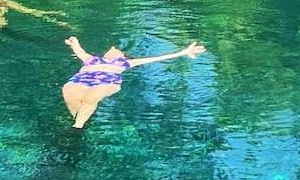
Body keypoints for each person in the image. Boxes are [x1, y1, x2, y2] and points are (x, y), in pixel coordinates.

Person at [62, 34, 205, 129]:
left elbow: (157, 58)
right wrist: (74, 42)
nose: (113, 49)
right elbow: (79, 50)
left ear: (123, 57)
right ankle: (80, 122)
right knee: (69, 94)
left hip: (107, 80)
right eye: (111, 49)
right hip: (81, 79)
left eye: (117, 50)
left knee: (90, 98)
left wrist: (184, 52)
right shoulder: (91, 59)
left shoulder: (124, 63)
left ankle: (77, 129)